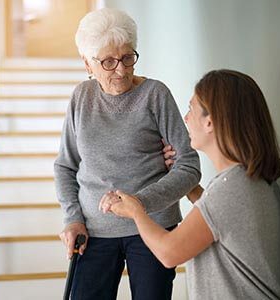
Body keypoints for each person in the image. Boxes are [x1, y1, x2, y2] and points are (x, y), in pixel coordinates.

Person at [54, 8, 201, 300]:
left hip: (153, 226)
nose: (120, 70)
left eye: (127, 57)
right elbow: (65, 167)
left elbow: (189, 166)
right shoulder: (81, 98)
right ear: (88, 63)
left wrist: (138, 205)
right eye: (108, 62)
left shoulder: (155, 95)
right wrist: (72, 218)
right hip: (93, 231)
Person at [107, 69, 280, 299]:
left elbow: (168, 252)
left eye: (191, 109)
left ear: (210, 122)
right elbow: (219, 221)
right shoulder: (247, 181)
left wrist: (136, 211)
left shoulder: (230, 189)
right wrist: (190, 188)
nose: (186, 118)